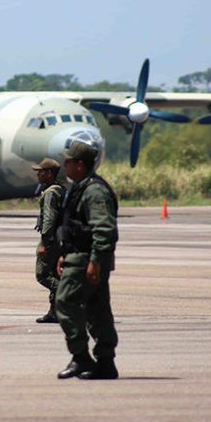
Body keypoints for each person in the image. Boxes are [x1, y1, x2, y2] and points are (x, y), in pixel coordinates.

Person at [55, 141, 119, 380]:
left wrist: (95, 261)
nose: (65, 165)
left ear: (80, 165)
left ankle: (81, 357)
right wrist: (64, 253)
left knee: (65, 302)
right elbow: (74, 226)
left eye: (69, 161)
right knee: (97, 309)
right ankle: (105, 362)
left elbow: (104, 229)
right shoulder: (80, 187)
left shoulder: (94, 191)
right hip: (80, 256)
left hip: (86, 260)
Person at [32, 158, 64, 323]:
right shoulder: (59, 189)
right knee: (53, 274)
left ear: (49, 173)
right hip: (58, 239)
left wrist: (44, 242)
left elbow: (50, 219)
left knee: (43, 274)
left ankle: (67, 294)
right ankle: (55, 311)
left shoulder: (51, 192)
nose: (38, 174)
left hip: (51, 240)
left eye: (41, 171)